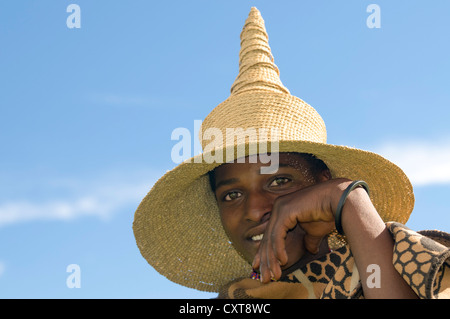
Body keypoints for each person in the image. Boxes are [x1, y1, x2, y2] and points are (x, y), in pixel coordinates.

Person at [133, 7, 450, 299]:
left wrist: (349, 198)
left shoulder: (414, 266)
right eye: (231, 195)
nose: (255, 211)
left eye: (279, 180)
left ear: (321, 184)